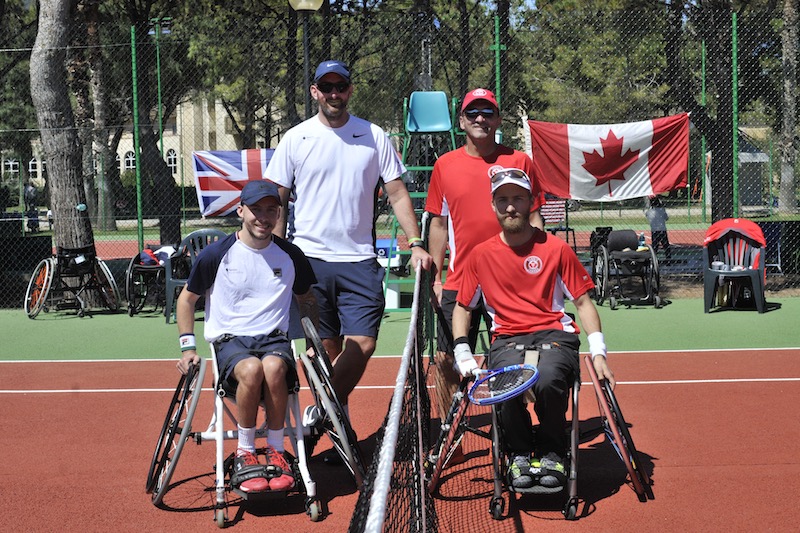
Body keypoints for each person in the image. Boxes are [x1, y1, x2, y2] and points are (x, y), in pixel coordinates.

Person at [264, 60, 433, 454]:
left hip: (359, 261)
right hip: (308, 261)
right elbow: (278, 201)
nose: (335, 94)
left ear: (350, 91)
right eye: (328, 87)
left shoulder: (373, 136)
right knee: (322, 354)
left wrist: (416, 241)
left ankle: (321, 416)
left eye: (341, 86)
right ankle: (340, 427)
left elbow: (396, 193)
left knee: (363, 345)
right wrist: (273, 254)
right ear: (315, 91)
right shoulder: (295, 138)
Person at [451, 168, 615, 490]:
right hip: (506, 339)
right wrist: (462, 351)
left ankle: (553, 450)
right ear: (493, 205)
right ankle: (519, 452)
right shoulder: (480, 255)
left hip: (555, 336)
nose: (510, 207)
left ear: (530, 203)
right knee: (505, 386)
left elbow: (582, 304)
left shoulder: (556, 249)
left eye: (517, 199)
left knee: (551, 379)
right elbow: (462, 308)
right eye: (503, 200)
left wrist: (598, 354)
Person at [176, 180, 319, 494]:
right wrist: (188, 347)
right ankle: (244, 451)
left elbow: (307, 299)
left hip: (274, 340)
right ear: (241, 211)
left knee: (274, 368)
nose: (263, 217)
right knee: (252, 370)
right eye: (256, 209)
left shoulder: (291, 255)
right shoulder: (216, 255)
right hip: (231, 341)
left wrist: (312, 343)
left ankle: (276, 450)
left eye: (271, 210)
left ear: (280, 214)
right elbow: (186, 300)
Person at [424, 87, 545, 424]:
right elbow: (438, 223)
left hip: (511, 281)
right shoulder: (445, 166)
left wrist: (534, 268)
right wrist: (436, 277)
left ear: (498, 120)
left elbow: (534, 217)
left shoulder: (519, 161)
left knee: (515, 356)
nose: (480, 118)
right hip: (460, 279)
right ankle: (450, 430)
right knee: (447, 358)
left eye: (487, 112)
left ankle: (513, 427)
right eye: (473, 113)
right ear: (461, 120)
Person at [645, 195, 671, 260]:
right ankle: (668, 259)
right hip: (662, 230)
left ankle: (654, 259)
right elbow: (666, 218)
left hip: (654, 230)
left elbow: (647, 215)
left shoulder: (649, 212)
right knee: (666, 246)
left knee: (655, 246)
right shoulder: (662, 210)